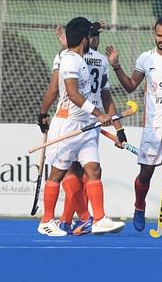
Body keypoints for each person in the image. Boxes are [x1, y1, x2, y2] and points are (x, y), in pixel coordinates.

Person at [37, 17, 125, 236]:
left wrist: (103, 118)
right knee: (57, 174)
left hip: (87, 126)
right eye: (89, 35)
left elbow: (99, 95)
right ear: (85, 38)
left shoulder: (82, 58)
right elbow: (73, 94)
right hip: (67, 125)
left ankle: (100, 218)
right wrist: (99, 113)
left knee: (93, 169)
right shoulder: (69, 60)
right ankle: (46, 221)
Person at [106, 16, 162, 234]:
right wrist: (117, 66)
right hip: (152, 127)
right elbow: (130, 86)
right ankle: (140, 206)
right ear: (154, 34)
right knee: (145, 174)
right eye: (159, 35)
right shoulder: (145, 58)